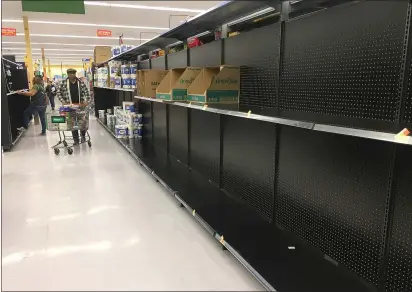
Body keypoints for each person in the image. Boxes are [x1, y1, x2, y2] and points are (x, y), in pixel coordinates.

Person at [56, 68, 90, 144]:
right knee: (72, 123)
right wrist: (63, 102)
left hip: (80, 106)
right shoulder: (63, 83)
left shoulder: (80, 82)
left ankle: (83, 136)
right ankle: (76, 139)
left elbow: (87, 92)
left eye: (73, 73)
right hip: (69, 107)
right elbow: (58, 92)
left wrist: (86, 101)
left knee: (82, 123)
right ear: (67, 74)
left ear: (75, 74)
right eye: (70, 74)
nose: (72, 75)